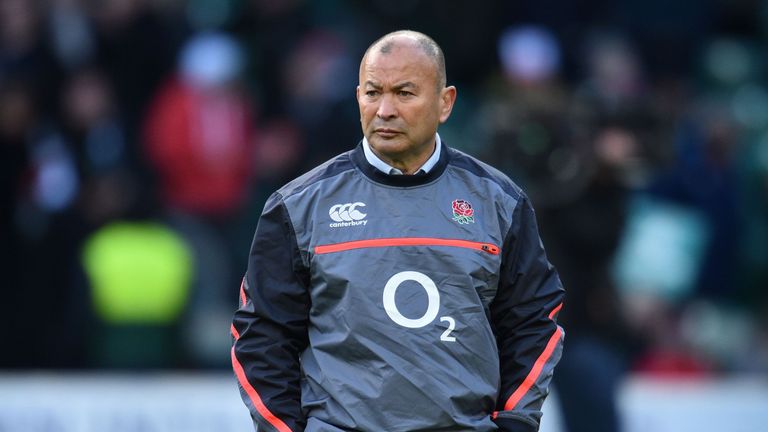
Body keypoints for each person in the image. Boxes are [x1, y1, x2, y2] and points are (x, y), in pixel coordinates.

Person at [231, 30, 565, 432]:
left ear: (446, 103)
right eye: (373, 93)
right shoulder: (298, 206)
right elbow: (261, 335)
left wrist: (513, 424)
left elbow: (533, 322)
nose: (385, 110)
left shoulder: (500, 202)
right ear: (358, 98)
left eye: (405, 93)